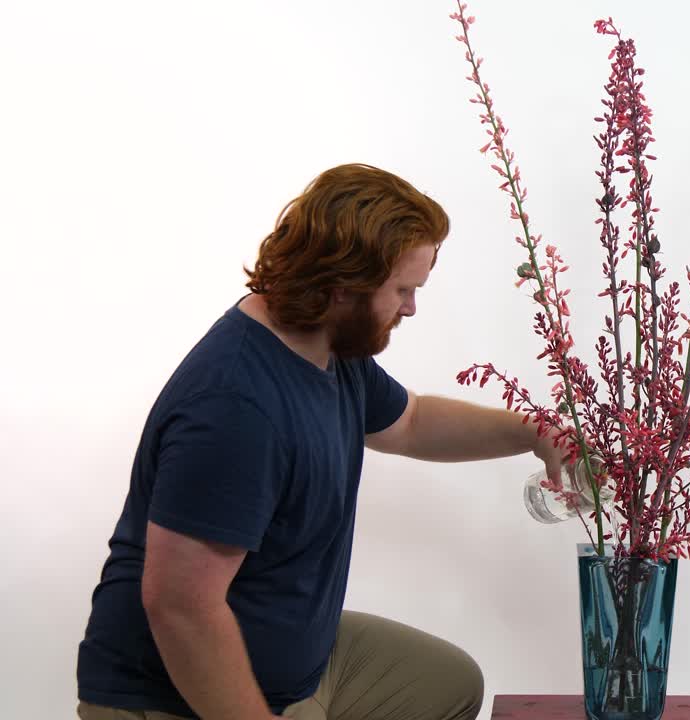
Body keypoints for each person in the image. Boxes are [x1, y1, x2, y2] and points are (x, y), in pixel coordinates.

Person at [75, 163, 564, 720]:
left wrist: (535, 432)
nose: (410, 308)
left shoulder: (328, 345)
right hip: (175, 695)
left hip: (302, 665)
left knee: (450, 685)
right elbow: (182, 607)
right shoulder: (237, 404)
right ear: (343, 285)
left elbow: (412, 422)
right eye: (403, 289)